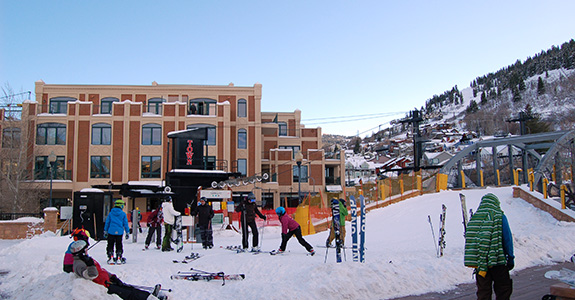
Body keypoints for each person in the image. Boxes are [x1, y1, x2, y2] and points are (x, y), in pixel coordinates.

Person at [70, 240, 168, 300]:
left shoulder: (85, 260)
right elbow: (92, 275)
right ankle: (150, 298)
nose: (87, 251)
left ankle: (150, 296)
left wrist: (112, 276)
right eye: (86, 250)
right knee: (129, 294)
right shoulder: (79, 264)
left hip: (108, 281)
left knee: (129, 288)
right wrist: (90, 264)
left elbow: (101, 270)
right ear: (81, 252)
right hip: (104, 287)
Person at [464, 193, 514, 300]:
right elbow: (507, 239)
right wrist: (510, 257)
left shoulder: (474, 220)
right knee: (503, 290)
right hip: (498, 261)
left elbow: (470, 241)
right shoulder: (500, 217)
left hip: (481, 264)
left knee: (483, 292)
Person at [104, 199, 130, 264]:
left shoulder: (111, 213)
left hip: (111, 231)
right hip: (119, 232)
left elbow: (107, 222)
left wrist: (105, 231)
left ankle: (111, 256)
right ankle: (119, 256)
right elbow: (125, 223)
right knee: (119, 244)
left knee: (110, 244)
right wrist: (127, 232)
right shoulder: (123, 214)